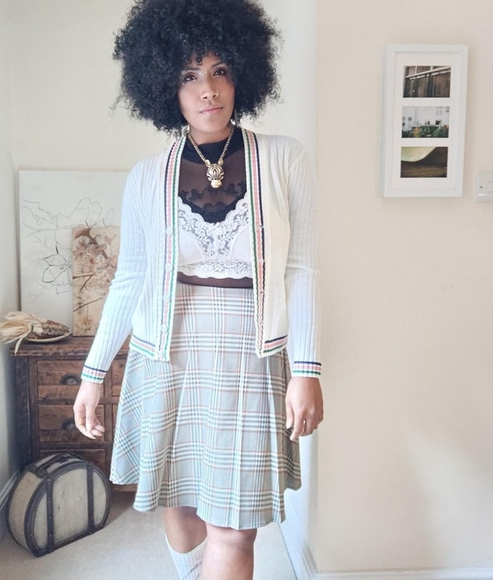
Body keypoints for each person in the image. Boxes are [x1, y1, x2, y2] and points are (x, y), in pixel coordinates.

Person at [73, 0, 324, 578]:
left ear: (242, 73)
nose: (208, 89)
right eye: (189, 75)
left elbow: (302, 269)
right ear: (166, 87)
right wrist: (92, 373)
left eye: (220, 70)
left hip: (251, 353)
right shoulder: (146, 177)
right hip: (167, 352)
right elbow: (131, 277)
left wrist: (307, 368)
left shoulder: (284, 159)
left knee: (234, 530)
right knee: (179, 499)